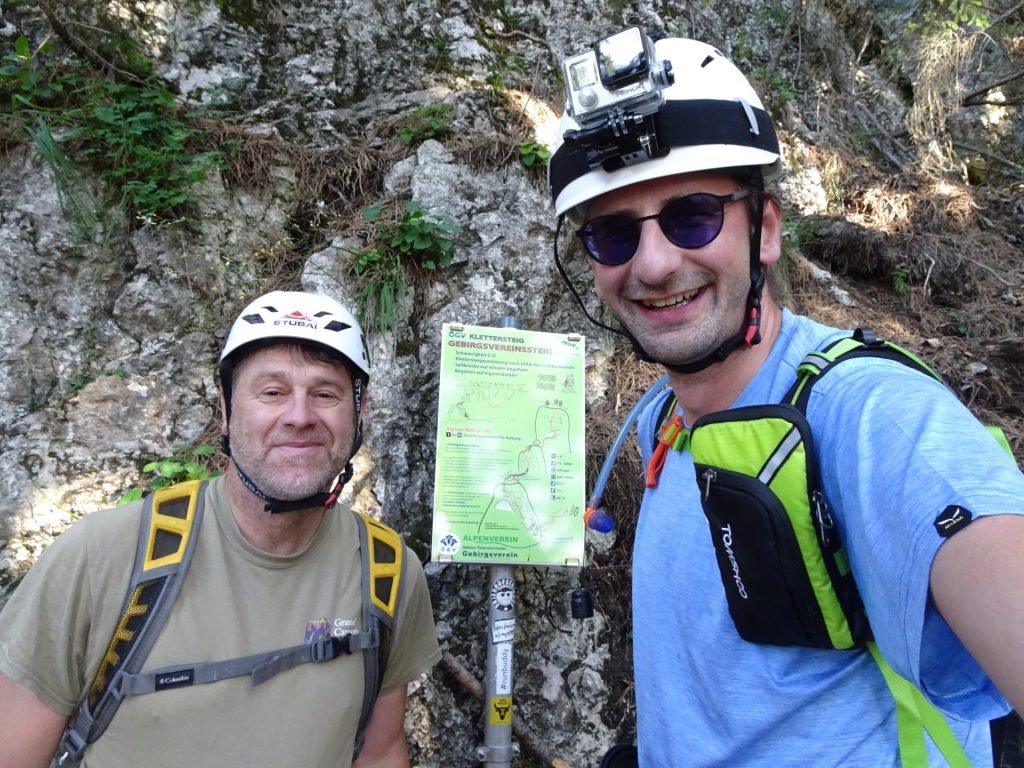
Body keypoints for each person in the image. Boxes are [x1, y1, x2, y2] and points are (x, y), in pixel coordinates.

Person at [547, 29, 1024, 767]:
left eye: (693, 215)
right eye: (612, 236)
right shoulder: (665, 421)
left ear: (764, 230)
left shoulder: (869, 415)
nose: (653, 262)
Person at [0, 290, 441, 768]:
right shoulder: (102, 555)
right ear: (227, 411)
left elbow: (379, 753)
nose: (299, 416)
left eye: (326, 393)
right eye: (271, 392)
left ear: (359, 414)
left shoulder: (388, 571)